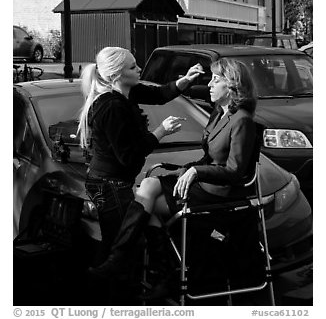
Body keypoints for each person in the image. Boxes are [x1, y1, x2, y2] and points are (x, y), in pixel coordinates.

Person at [90, 57, 258, 299]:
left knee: (145, 205)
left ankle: (139, 264)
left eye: (216, 80)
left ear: (233, 86)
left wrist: (195, 172)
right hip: (203, 184)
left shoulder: (242, 120)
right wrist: (185, 170)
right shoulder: (218, 113)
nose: (209, 85)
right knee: (147, 187)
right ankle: (160, 270)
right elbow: (206, 157)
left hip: (217, 193)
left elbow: (235, 172)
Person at [78, 46, 204, 269]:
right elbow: (129, 155)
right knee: (119, 245)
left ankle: (160, 278)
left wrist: (186, 80)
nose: (139, 69)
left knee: (143, 225)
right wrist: (161, 131)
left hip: (117, 183)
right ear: (116, 75)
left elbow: (159, 94)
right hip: (109, 186)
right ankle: (111, 292)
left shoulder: (128, 92)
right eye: (132, 66)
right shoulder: (112, 106)